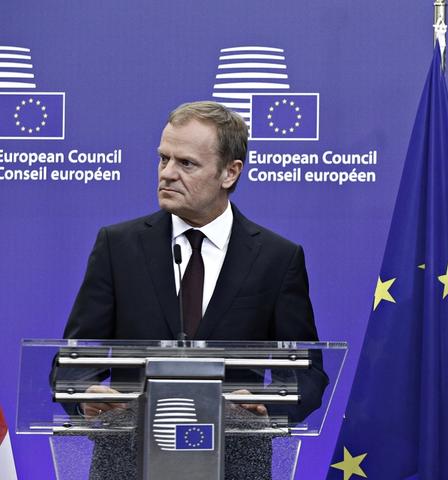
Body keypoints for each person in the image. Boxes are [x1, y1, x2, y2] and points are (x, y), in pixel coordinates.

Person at [59, 101, 325, 478]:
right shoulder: (118, 247)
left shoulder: (277, 258)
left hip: (235, 465)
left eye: (186, 163)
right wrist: (84, 394)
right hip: (127, 464)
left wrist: (270, 406)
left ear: (229, 172)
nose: (167, 173)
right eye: (163, 158)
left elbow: (307, 372)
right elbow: (73, 361)